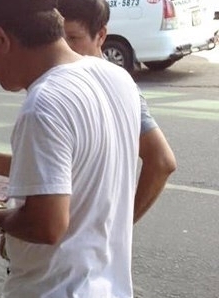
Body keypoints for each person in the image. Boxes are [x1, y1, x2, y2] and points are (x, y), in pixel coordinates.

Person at [0, 0, 141, 298]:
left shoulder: (43, 105)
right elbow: (75, 168)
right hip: (104, 295)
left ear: (1, 38)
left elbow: (47, 226)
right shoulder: (116, 78)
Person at [57, 0, 177, 224]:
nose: (64, 48)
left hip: (78, 246)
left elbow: (162, 161)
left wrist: (123, 223)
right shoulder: (63, 82)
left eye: (73, 38)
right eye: (59, 38)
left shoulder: (116, 85)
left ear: (101, 35)